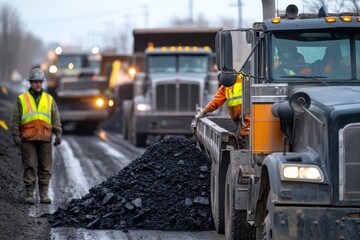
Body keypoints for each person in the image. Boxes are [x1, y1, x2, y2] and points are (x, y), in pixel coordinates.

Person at [10, 68, 62, 205]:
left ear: (43, 83)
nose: (38, 84)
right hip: (28, 139)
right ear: (30, 83)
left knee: (45, 167)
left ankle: (43, 195)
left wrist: (58, 134)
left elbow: (55, 119)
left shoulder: (49, 99)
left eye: (40, 82)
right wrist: (16, 135)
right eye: (35, 82)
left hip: (45, 138)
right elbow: (15, 119)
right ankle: (29, 195)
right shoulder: (22, 99)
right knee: (29, 166)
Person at [197, 73, 250, 147]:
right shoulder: (226, 86)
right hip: (238, 117)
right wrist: (205, 110)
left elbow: (250, 111)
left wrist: (244, 129)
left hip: (247, 116)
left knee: (243, 136)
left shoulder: (244, 80)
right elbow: (216, 101)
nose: (222, 84)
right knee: (239, 137)